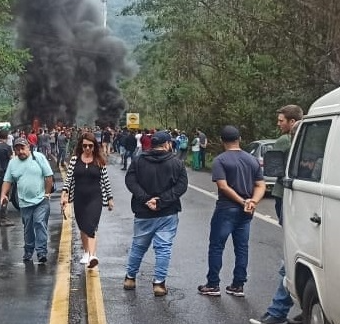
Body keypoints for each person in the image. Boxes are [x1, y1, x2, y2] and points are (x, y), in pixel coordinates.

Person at [250, 105, 304, 324]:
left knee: (290, 253)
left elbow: (275, 169)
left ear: (292, 122)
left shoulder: (284, 141)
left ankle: (278, 312)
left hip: (286, 196)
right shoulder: (305, 139)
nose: (279, 124)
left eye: (282, 120)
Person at [198, 126, 265, 297]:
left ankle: (213, 284)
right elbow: (260, 185)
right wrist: (252, 201)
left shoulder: (220, 160)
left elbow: (223, 186)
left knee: (216, 246)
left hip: (227, 208)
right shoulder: (252, 160)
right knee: (242, 247)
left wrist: (242, 201)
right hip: (246, 212)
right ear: (239, 139)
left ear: (222, 141)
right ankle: (238, 285)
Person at [123, 131, 188, 297]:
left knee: (138, 246)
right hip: (167, 212)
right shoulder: (176, 163)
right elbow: (181, 187)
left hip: (143, 212)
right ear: (167, 144)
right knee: (163, 248)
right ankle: (159, 283)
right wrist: (161, 201)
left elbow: (130, 181)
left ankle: (130, 278)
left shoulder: (138, 160)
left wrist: (145, 199)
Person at [60, 132, 114, 268]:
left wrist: (110, 198)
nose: (88, 149)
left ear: (95, 146)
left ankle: (93, 255)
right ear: (81, 146)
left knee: (91, 226)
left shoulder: (99, 161)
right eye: (85, 146)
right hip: (79, 197)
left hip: (95, 198)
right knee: (83, 227)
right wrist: (64, 194)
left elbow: (106, 181)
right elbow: (69, 179)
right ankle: (86, 252)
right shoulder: (74, 160)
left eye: (90, 146)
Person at [1, 138, 54, 263]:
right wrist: (3, 194)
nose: (20, 151)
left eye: (22, 148)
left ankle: (41, 252)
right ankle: (29, 251)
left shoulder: (38, 157)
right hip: (24, 203)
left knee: (39, 223)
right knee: (28, 227)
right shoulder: (13, 163)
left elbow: (49, 176)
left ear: (28, 147)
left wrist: (47, 194)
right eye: (17, 149)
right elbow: (7, 180)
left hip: (41, 200)